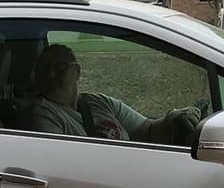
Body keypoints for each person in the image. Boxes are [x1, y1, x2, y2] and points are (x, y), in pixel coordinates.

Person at [30, 44, 200, 145]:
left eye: (59, 67)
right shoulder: (42, 114)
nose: (51, 74)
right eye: (45, 69)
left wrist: (173, 119)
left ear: (77, 71)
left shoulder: (98, 102)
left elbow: (147, 129)